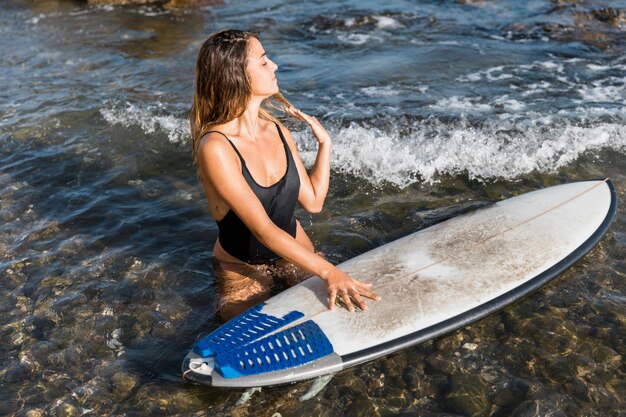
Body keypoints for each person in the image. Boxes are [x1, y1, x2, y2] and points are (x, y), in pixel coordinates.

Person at [190, 29, 380, 322]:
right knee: (244, 343)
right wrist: (329, 271)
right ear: (236, 75)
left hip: (294, 252)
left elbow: (314, 202)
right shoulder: (215, 146)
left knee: (345, 314)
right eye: (264, 61)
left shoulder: (278, 130)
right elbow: (263, 230)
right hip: (243, 268)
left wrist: (324, 145)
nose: (275, 66)